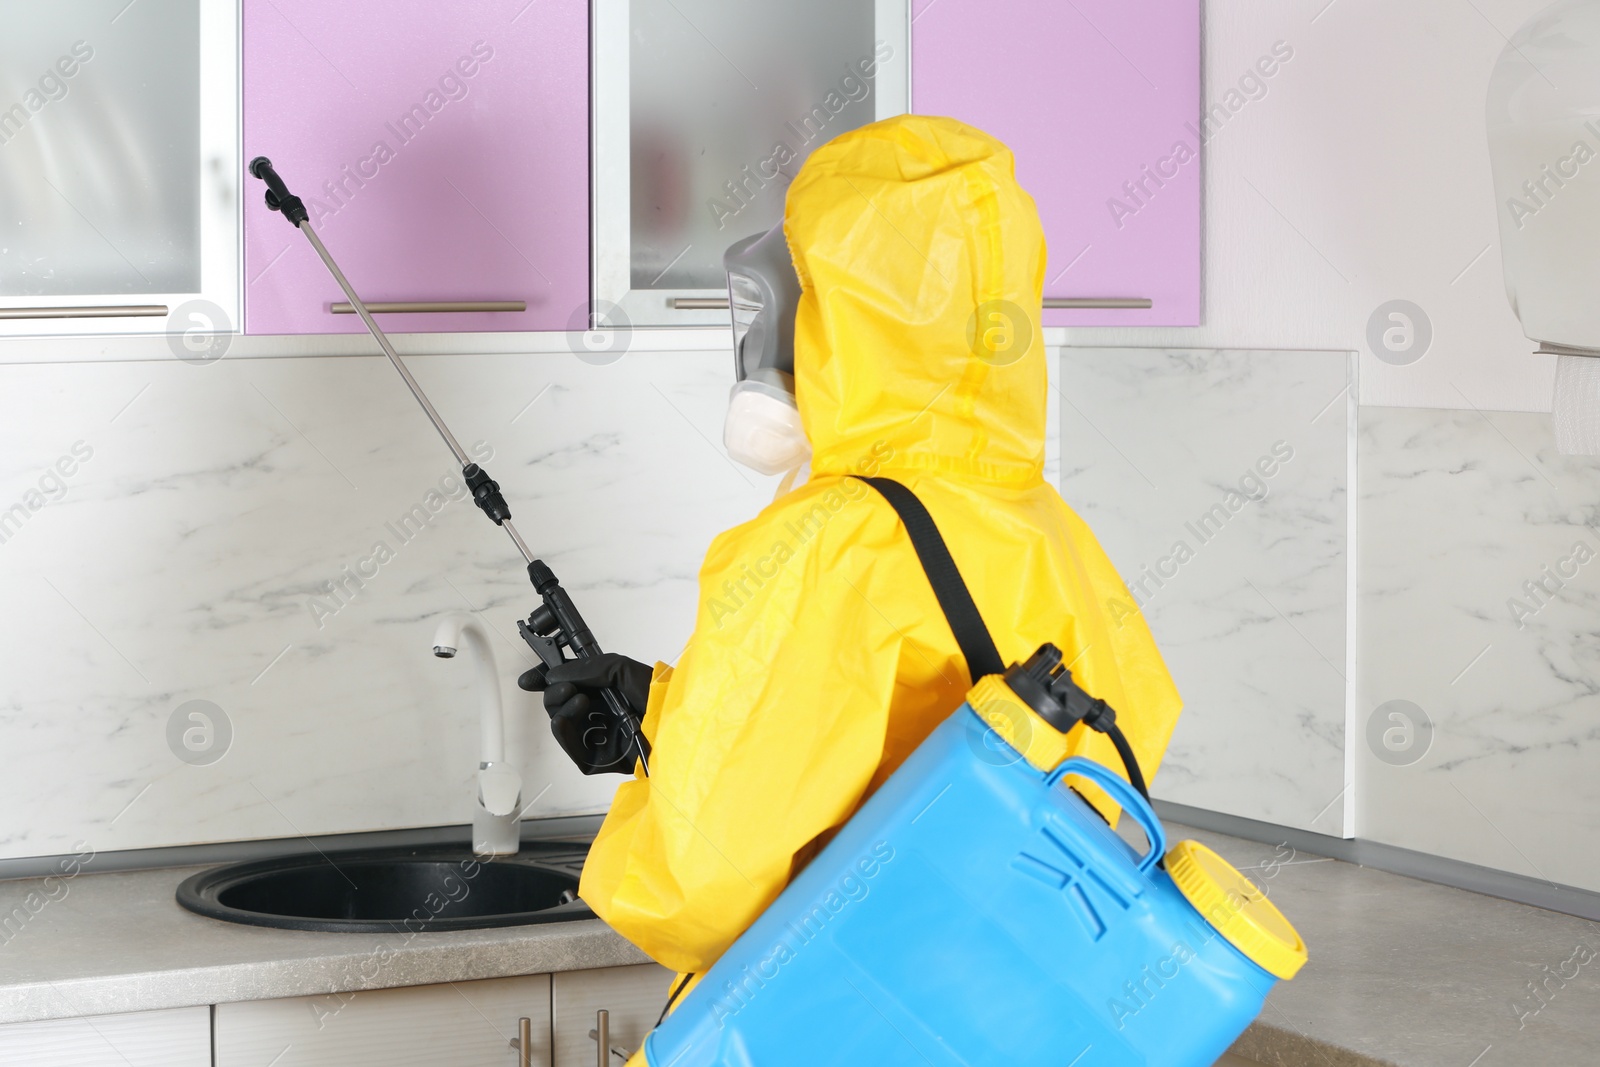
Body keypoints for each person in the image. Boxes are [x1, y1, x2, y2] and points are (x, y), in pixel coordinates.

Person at [529, 114, 1183, 1042]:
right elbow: (955, 774)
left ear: (837, 317)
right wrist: (668, 714)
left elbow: (702, 888)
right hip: (988, 1019)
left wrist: (658, 790)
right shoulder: (1046, 524)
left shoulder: (826, 542)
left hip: (837, 1018)